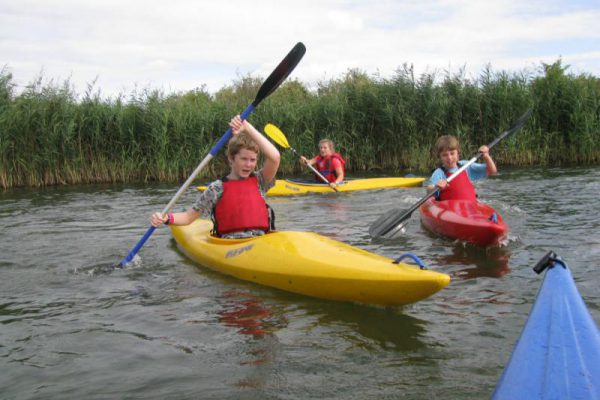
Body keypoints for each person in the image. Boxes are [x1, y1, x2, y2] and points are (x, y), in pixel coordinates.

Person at [150, 115, 280, 238]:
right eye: (244, 159)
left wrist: (246, 127)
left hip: (261, 241)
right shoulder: (217, 188)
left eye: (253, 160)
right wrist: (166, 218)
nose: (248, 164)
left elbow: (275, 157)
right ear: (231, 158)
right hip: (231, 244)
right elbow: (189, 217)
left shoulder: (260, 180)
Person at [425, 135, 497, 201]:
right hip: (450, 209)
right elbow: (428, 190)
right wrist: (436, 187)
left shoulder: (465, 166)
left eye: (452, 153)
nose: (449, 158)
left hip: (470, 206)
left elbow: (492, 170)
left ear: (458, 153)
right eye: (444, 155)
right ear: (439, 157)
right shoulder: (439, 173)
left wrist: (486, 156)